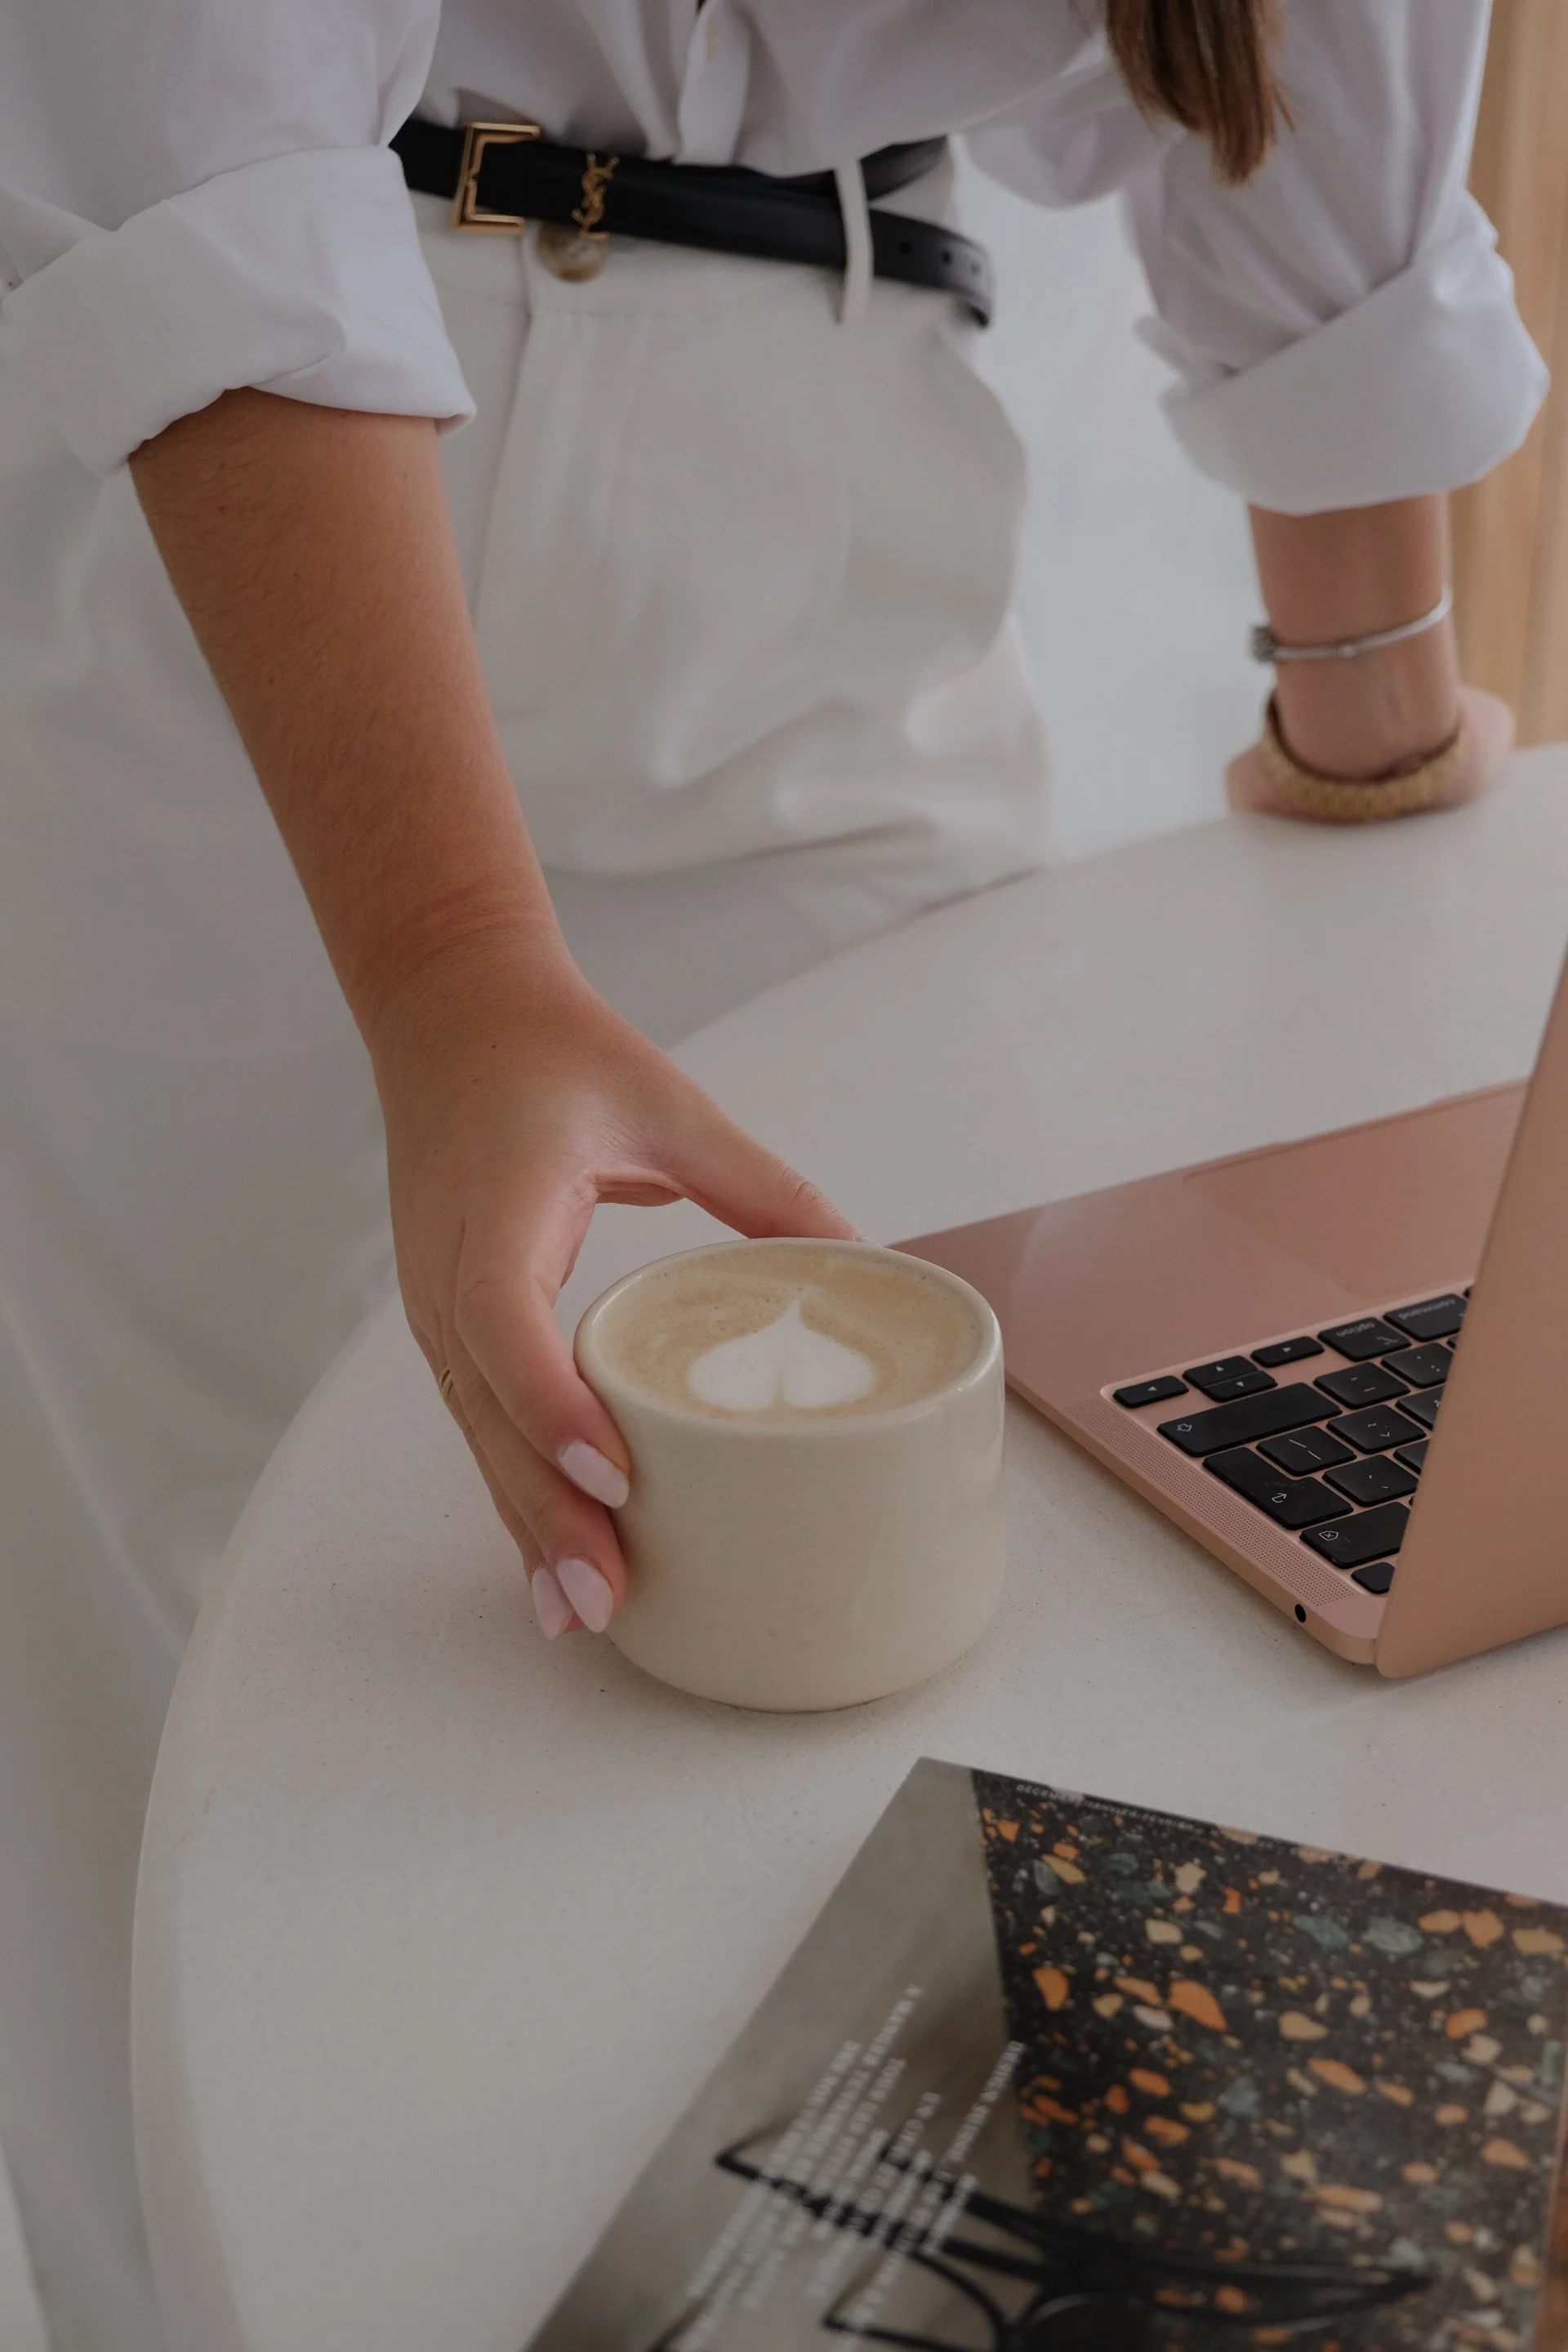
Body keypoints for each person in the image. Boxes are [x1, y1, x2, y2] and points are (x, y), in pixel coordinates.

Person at [0, 0, 1544, 2344]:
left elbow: (1287, 53)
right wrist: (444, 966)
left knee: (908, 1662)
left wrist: (1379, 741)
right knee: (183, 1705)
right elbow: (184, 99)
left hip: (838, 486)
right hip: (254, 500)